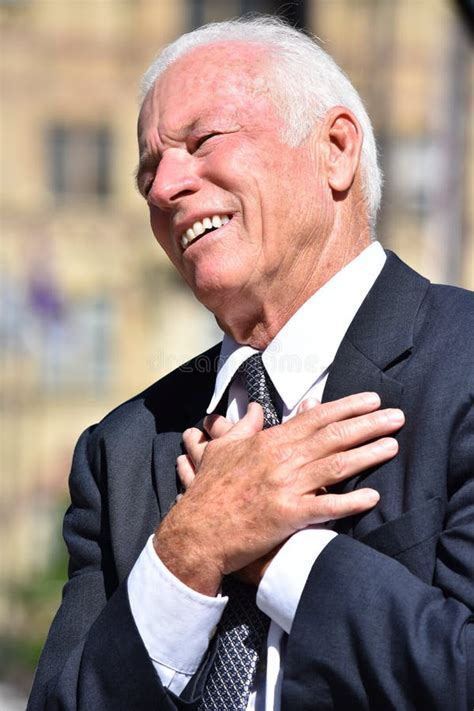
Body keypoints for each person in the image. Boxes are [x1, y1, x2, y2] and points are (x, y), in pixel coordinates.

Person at [28, 16, 473, 711]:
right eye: (149, 169)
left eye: (201, 141)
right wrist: (187, 551)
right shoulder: (120, 451)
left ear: (335, 150)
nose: (163, 187)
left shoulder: (463, 365)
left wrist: (280, 552)